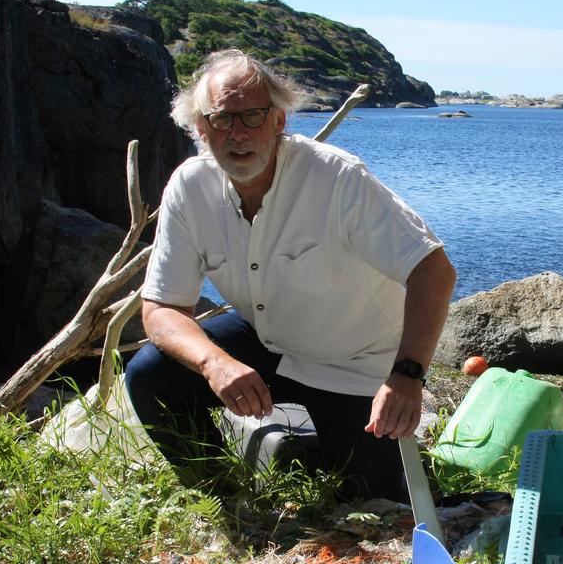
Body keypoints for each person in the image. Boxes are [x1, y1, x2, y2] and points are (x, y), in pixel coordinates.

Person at [125, 49, 456, 504]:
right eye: (221, 119)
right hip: (266, 338)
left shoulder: (337, 179)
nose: (237, 133)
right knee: (150, 374)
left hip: (355, 363)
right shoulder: (189, 186)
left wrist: (407, 376)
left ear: (279, 121)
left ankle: (335, 455)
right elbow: (161, 308)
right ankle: (223, 496)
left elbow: (432, 271)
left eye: (253, 116)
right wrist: (216, 363)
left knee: (373, 504)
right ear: (201, 129)